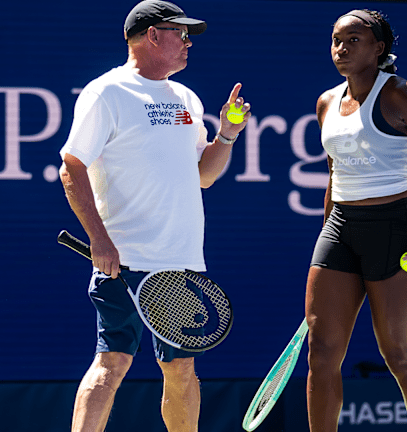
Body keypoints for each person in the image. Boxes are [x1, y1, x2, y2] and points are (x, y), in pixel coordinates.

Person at [58, 1, 251, 431]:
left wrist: (227, 134)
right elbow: (71, 167)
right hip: (123, 261)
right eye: (180, 33)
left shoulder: (186, 98)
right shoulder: (107, 92)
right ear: (152, 35)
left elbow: (204, 176)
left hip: (179, 263)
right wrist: (99, 239)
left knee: (181, 369)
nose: (187, 42)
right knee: (112, 362)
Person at [305, 9, 407, 432]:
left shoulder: (401, 95)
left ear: (378, 48)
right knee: (321, 354)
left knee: (399, 357)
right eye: (336, 40)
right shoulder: (326, 103)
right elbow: (334, 173)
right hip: (339, 229)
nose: (341, 48)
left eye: (353, 40)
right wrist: (327, 231)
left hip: (392, 229)